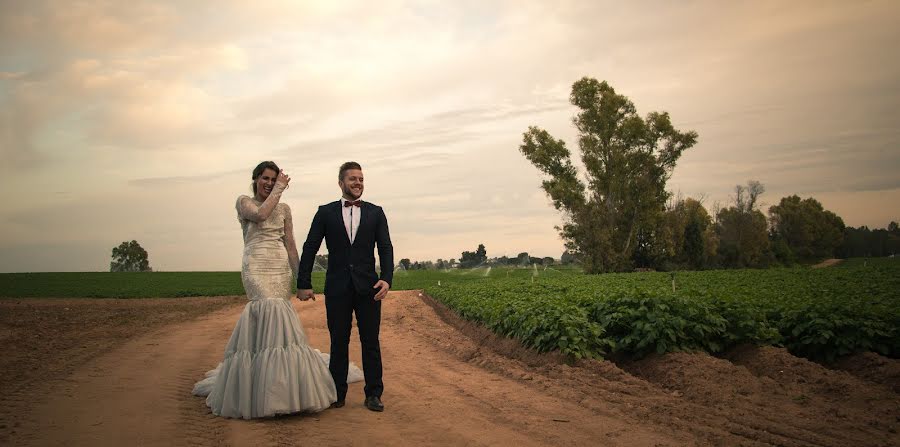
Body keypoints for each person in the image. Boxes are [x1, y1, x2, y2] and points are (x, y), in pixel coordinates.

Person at [192, 161, 362, 419]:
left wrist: (301, 280)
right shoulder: (244, 202)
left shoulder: (284, 209)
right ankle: (257, 389)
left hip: (279, 266)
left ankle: (281, 388)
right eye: (265, 179)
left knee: (281, 319)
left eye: (273, 179)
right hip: (256, 266)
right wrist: (280, 188)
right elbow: (260, 215)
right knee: (265, 312)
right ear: (256, 180)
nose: (269, 183)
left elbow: (291, 245)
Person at [297, 161, 394, 412]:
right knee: (338, 341)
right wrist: (304, 282)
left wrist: (387, 278)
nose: (358, 183)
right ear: (341, 183)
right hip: (337, 287)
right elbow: (310, 246)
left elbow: (385, 247)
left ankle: (373, 394)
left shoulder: (376, 212)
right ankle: (336, 393)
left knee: (370, 341)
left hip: (368, 288)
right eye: (352, 179)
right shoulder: (325, 212)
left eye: (361, 179)